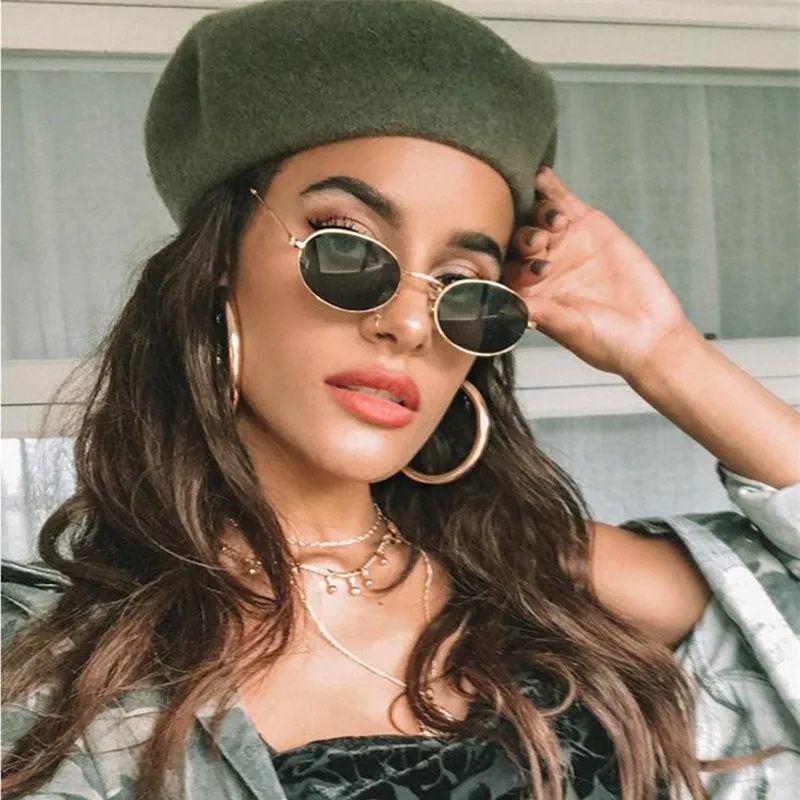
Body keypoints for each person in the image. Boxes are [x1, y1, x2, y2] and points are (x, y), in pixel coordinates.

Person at [2, 1, 798, 798]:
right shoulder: (51, 661)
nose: (412, 324)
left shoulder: (538, 571)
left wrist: (667, 352)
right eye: (349, 249)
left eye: (461, 285)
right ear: (218, 270)